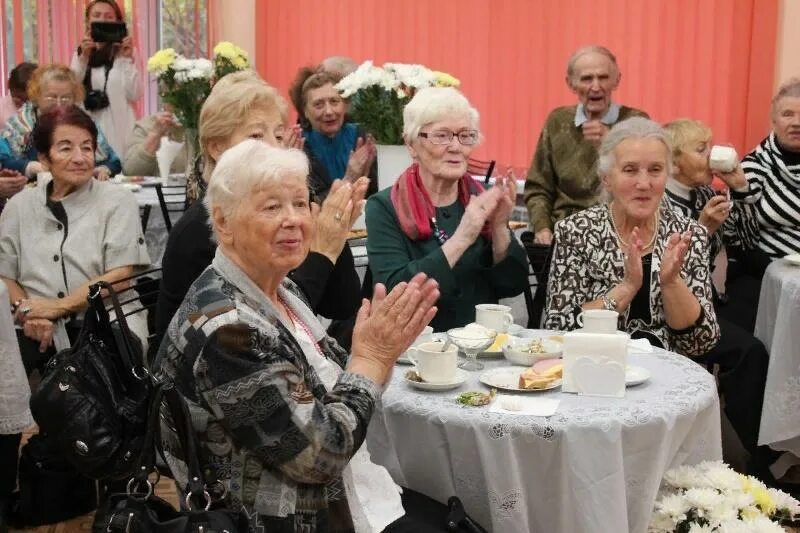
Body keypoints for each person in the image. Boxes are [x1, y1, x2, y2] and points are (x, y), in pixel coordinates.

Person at [155, 140, 439, 532]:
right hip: (288, 518)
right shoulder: (227, 330)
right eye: (272, 207)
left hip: (340, 492)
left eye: (301, 203)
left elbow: (335, 374)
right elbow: (322, 456)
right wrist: (371, 360)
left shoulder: (278, 289)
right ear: (223, 222)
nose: (294, 220)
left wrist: (377, 351)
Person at [0, 105, 150, 516]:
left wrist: (59, 308)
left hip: (102, 323)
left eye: (88, 147)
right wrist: (28, 312)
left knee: (91, 375)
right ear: (44, 158)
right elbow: (5, 274)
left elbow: (120, 274)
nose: (81, 157)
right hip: (31, 323)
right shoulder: (19, 207)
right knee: (4, 374)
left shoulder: (115, 200)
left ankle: (100, 477)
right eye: (66, 148)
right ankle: (6, 485)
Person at [155, 71, 367, 344]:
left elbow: (340, 305)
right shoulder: (205, 226)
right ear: (217, 148)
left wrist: (333, 233)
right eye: (256, 136)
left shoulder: (288, 209)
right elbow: (266, 327)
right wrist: (322, 251)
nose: (273, 149)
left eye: (279, 136)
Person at [544, 117, 720, 357]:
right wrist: (626, 288)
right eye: (630, 170)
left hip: (666, 377)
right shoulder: (576, 232)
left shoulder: (689, 235)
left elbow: (701, 344)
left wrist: (671, 283)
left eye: (655, 170)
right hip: (594, 367)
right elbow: (558, 331)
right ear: (606, 178)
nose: (644, 183)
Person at [365, 87, 528, 332]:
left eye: (465, 136)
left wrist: (499, 228)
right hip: (416, 348)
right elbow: (395, 293)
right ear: (411, 144)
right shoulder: (385, 206)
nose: (455, 147)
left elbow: (512, 285)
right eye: (442, 136)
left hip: (481, 349)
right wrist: (462, 237)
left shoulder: (481, 200)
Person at [663, 118, 768, 456]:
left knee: (762, 331)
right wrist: (702, 230)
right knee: (748, 352)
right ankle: (753, 455)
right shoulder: (659, 198)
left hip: (708, 297)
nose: (711, 157)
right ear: (675, 161)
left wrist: (740, 189)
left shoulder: (707, 193)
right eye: (701, 149)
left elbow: (747, 238)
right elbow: (669, 266)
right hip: (676, 309)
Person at [524, 46, 648, 245]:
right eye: (586, 79)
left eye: (603, 77)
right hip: (565, 233)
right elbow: (538, 187)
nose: (596, 86)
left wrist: (612, 143)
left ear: (617, 80)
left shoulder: (637, 123)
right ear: (571, 84)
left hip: (618, 235)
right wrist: (542, 227)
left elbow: (646, 188)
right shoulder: (558, 121)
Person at [0, 63, 122, 181]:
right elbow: (3, 160)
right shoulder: (19, 123)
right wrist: (30, 167)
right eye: (51, 97)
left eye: (65, 98)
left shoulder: (83, 122)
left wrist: (103, 169)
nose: (58, 104)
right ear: (36, 96)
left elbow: (113, 161)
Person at [289, 67, 377, 200]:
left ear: (345, 105)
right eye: (319, 105)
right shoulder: (299, 147)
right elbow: (309, 203)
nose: (329, 111)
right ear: (305, 112)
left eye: (334, 102)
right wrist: (350, 177)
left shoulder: (362, 138)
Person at [70, 0, 140, 154]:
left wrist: (125, 59)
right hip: (89, 126)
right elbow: (71, 91)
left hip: (120, 128)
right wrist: (83, 58)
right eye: (97, 15)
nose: (102, 20)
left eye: (109, 16)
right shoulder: (80, 53)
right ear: (88, 22)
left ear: (117, 22)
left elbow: (134, 94)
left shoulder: (127, 52)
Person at [122, 109, 187, 177]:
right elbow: (130, 171)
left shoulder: (197, 124)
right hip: (156, 187)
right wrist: (155, 134)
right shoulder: (147, 126)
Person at [0, 62, 37, 127]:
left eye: (27, 100)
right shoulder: (2, 107)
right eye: (17, 97)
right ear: (8, 85)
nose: (22, 103)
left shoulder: (42, 109)